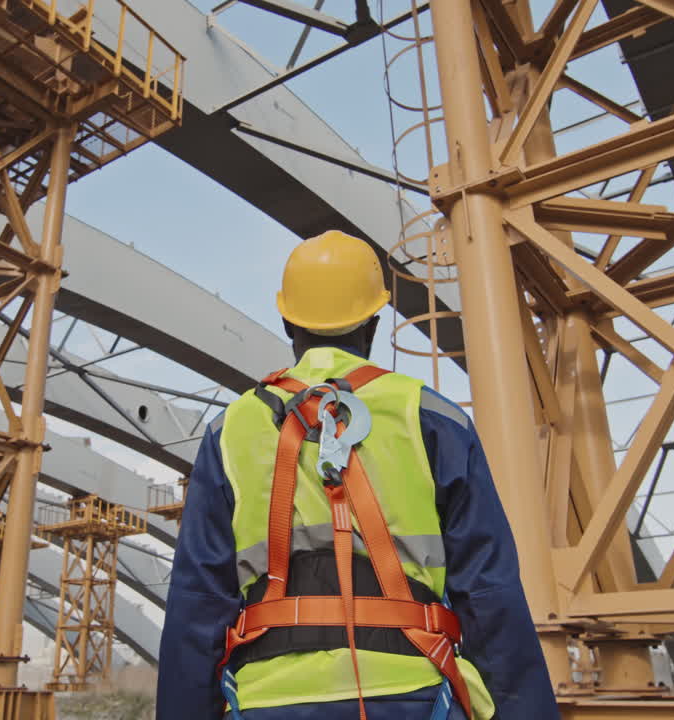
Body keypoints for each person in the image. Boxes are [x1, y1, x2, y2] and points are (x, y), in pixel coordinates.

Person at [156, 231, 558, 719]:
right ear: (373, 321)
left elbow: (196, 605)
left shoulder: (231, 431)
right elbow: (490, 592)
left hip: (271, 702)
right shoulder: (434, 420)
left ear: (287, 319)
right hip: (415, 696)